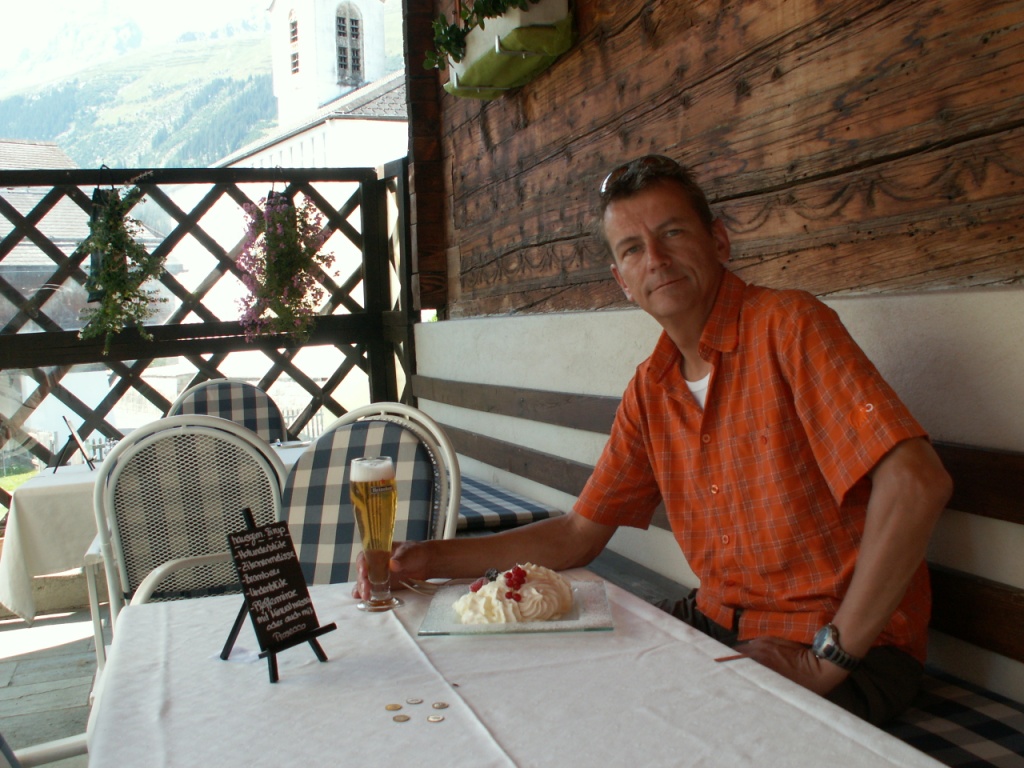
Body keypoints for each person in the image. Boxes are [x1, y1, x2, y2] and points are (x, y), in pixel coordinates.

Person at [354, 155, 952, 725]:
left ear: (718, 241)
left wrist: (828, 659)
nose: (657, 259)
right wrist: (429, 558)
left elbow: (918, 483)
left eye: (673, 233)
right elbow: (577, 534)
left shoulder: (789, 327)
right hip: (718, 624)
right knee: (549, 680)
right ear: (622, 280)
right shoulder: (652, 388)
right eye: (633, 248)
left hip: (843, 648)